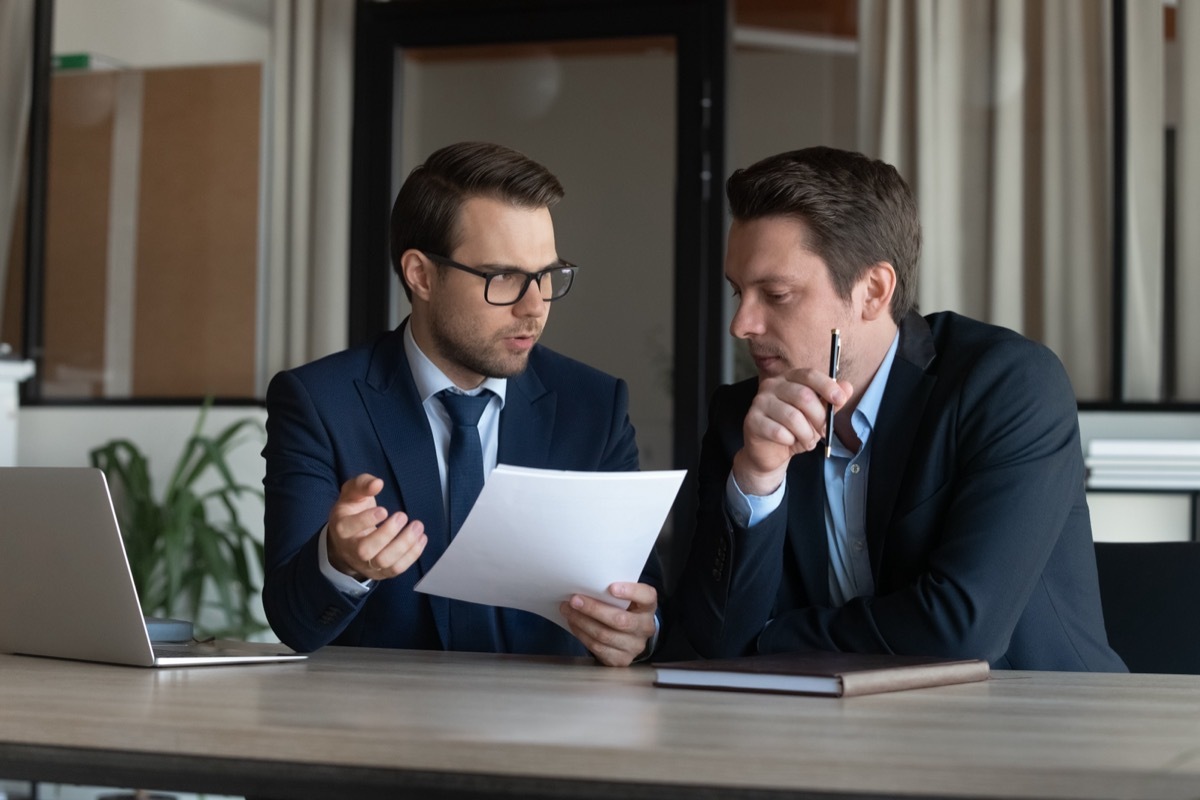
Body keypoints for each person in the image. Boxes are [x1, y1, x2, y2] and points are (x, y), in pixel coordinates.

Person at [674, 146, 1126, 671]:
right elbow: (715, 638)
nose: (742, 324)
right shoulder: (744, 419)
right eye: (738, 293)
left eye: (775, 295)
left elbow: (959, 631)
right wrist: (757, 480)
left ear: (873, 291)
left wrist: (772, 636)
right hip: (832, 736)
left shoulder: (1007, 386)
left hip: (1033, 729)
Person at [262, 141, 658, 666]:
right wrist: (341, 563)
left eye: (546, 275)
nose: (534, 306)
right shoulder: (319, 403)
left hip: (552, 730)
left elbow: (641, 594)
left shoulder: (596, 407)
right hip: (380, 733)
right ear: (421, 275)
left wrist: (640, 629)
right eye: (505, 278)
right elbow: (294, 625)